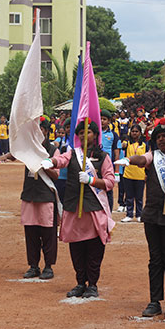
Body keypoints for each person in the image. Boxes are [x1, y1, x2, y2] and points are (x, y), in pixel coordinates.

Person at [115, 119, 165, 319]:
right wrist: (129, 160)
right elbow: (142, 160)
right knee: (155, 259)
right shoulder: (153, 157)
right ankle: (154, 301)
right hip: (152, 215)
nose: (161, 140)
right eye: (158, 137)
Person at [40, 119, 115, 299]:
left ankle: (92, 284)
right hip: (74, 208)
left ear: (95, 135)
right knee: (77, 249)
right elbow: (61, 160)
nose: (83, 135)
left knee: (94, 249)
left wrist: (91, 181)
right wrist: (49, 162)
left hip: (94, 209)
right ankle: (80, 282)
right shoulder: (72, 154)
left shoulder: (103, 157)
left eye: (87, 132)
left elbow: (110, 182)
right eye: (81, 132)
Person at [15, 117, 59, 279]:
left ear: (46, 131)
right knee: (31, 232)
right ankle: (33, 265)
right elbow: (14, 153)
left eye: (40, 129)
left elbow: (55, 175)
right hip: (29, 195)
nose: (37, 132)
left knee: (48, 233)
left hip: (46, 196)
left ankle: (48, 266)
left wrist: (43, 163)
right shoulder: (28, 149)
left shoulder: (53, 150)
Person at [120, 124, 147, 223]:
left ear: (140, 133)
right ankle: (129, 214)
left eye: (136, 131)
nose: (134, 133)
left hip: (140, 174)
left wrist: (147, 173)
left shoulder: (144, 145)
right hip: (128, 173)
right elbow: (121, 146)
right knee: (129, 196)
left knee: (139, 197)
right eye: (133, 131)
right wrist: (123, 144)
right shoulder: (127, 143)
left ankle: (139, 214)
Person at [100, 109, 120, 212]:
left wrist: (116, 172)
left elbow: (117, 154)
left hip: (109, 166)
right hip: (97, 165)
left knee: (108, 189)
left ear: (109, 121)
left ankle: (109, 213)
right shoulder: (95, 133)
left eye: (104, 119)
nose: (102, 121)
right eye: (100, 119)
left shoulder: (114, 135)